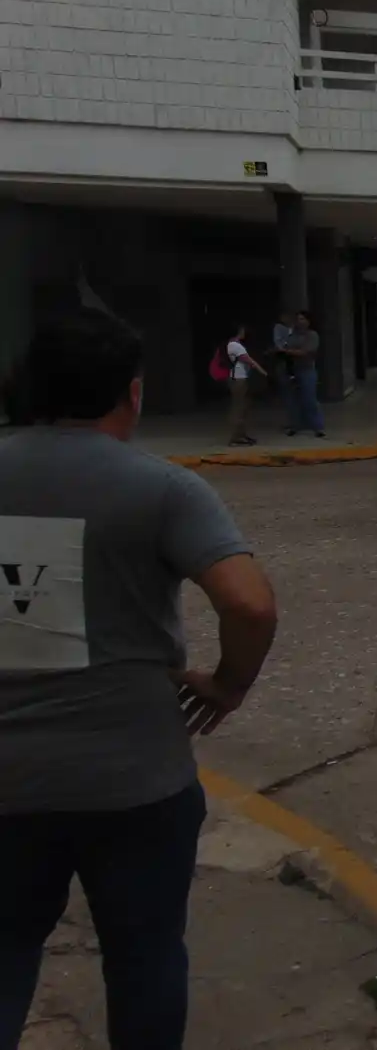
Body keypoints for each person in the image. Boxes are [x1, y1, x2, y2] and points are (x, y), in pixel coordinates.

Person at [0, 309, 278, 1050]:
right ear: (131, 392)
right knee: (145, 954)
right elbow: (249, 601)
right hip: (135, 779)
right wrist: (227, 684)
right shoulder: (162, 488)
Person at [282, 310, 325, 438]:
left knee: (310, 399)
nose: (299, 322)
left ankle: (318, 427)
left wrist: (289, 351)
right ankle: (295, 425)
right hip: (292, 370)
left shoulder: (312, 335)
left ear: (308, 321)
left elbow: (306, 351)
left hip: (307, 370)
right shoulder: (292, 335)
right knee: (292, 400)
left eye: (302, 319)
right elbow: (285, 346)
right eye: (298, 319)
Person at [225, 324, 267, 447]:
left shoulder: (231, 344)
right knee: (239, 408)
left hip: (237, 377)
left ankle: (241, 435)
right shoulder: (235, 345)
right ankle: (235, 437)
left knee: (244, 407)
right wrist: (262, 371)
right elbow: (248, 360)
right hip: (238, 378)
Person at [272, 311, 298, 433]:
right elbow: (280, 345)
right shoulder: (279, 328)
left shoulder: (298, 330)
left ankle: (298, 421)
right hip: (285, 363)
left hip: (298, 364)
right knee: (288, 394)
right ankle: (292, 422)